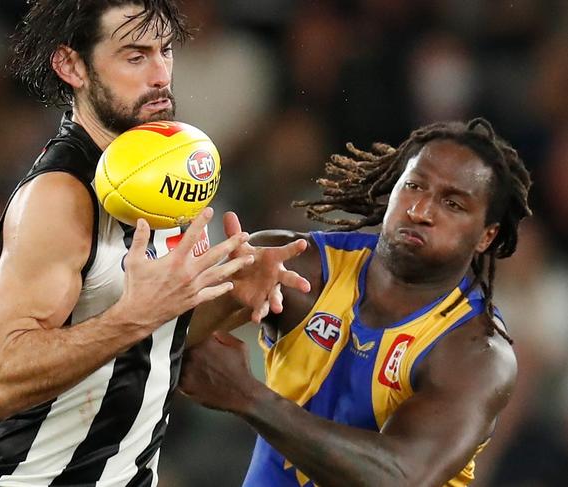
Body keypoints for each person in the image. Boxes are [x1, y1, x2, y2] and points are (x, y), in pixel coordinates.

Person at [0, 1, 308, 486]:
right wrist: (135, 313)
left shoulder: (162, 169)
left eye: (166, 51)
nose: (161, 75)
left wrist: (231, 296)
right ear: (71, 64)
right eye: (135, 56)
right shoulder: (60, 194)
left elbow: (145, 337)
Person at [179, 118, 533, 486]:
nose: (421, 211)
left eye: (453, 203)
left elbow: (398, 478)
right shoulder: (298, 267)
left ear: (486, 236)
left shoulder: (476, 353)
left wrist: (247, 396)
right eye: (413, 186)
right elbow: (155, 344)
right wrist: (222, 302)